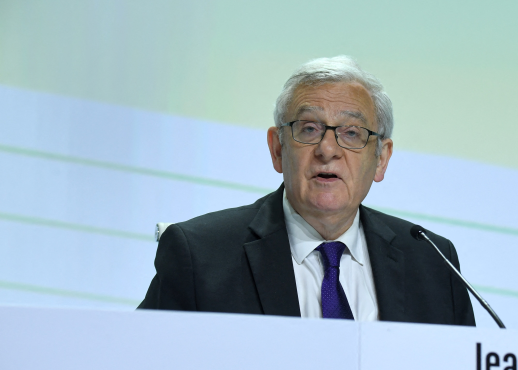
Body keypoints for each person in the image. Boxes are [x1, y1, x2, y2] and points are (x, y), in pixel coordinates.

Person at [139, 56, 475, 326]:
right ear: (277, 148)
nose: (328, 149)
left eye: (352, 133)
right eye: (309, 129)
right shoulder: (199, 255)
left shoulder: (433, 263)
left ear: (381, 159)